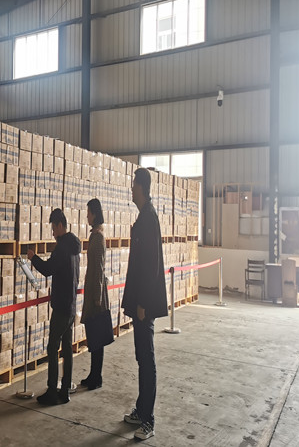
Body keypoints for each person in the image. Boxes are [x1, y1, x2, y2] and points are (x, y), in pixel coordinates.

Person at [121, 168, 168, 441]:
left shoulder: (149, 218)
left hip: (144, 305)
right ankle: (141, 410)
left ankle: (148, 420)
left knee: (147, 360)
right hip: (139, 302)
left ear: (140, 186)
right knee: (141, 357)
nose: (131, 189)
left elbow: (151, 267)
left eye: (133, 184)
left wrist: (142, 303)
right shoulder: (143, 217)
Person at [27, 208, 81, 405]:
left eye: (53, 228)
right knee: (66, 349)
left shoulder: (63, 248)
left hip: (61, 308)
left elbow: (48, 269)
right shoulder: (75, 247)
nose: (52, 233)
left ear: (59, 225)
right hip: (71, 305)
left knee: (52, 347)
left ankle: (52, 391)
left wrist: (33, 258)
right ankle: (64, 390)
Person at [80, 198, 112, 390]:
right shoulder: (95, 235)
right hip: (93, 291)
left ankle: (96, 376)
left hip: (96, 294)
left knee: (97, 336)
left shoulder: (98, 237)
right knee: (93, 335)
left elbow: (99, 268)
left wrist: (97, 298)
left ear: (94, 213)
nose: (87, 216)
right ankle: (93, 373)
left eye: (89, 213)